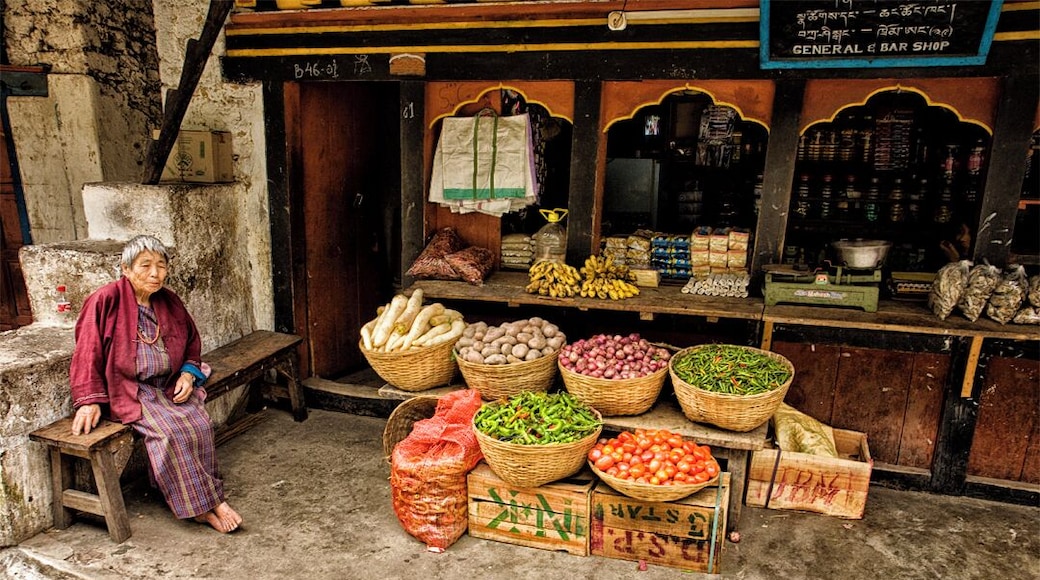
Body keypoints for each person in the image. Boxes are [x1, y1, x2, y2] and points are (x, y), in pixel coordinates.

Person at [69, 235, 242, 534]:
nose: (155, 273)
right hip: (131, 390)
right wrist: (89, 400)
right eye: (145, 265)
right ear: (125, 268)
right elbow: (87, 351)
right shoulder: (104, 300)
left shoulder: (169, 300)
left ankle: (205, 500)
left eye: (161, 266)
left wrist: (188, 375)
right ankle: (205, 506)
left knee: (198, 422)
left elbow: (191, 343)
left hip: (167, 384)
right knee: (169, 432)